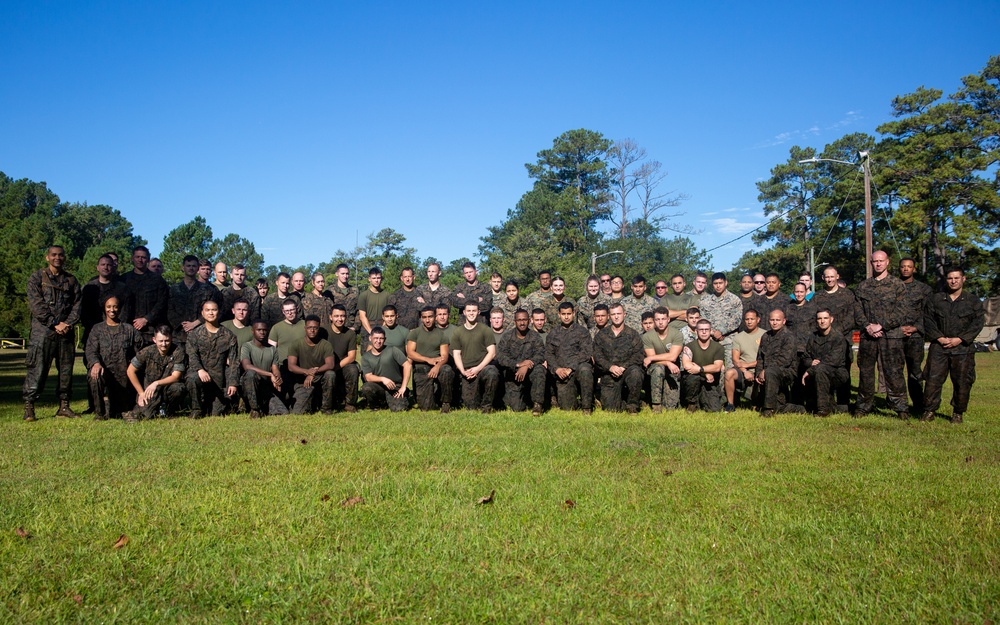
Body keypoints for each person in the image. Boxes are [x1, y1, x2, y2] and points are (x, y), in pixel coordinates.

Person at [23, 245, 82, 421]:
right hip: (43, 333)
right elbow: (36, 306)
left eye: (61, 255)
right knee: (37, 370)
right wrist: (54, 323)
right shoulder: (37, 278)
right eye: (54, 255)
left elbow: (77, 306)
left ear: (65, 258)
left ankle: (64, 406)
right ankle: (29, 407)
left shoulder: (71, 281)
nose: (58, 258)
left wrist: (67, 323)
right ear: (47, 257)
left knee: (66, 371)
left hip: (65, 333)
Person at [922, 267, 984, 424]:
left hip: (963, 349)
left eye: (957, 278)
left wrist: (961, 339)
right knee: (932, 380)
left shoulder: (973, 301)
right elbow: (928, 320)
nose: (953, 281)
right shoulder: (936, 300)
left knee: (963, 382)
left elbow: (978, 323)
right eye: (950, 278)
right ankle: (929, 411)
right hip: (939, 347)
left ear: (964, 279)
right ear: (946, 280)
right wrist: (939, 337)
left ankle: (958, 413)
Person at [854, 251, 908, 419]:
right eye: (875, 261)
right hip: (868, 336)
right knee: (866, 372)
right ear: (871, 263)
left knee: (894, 372)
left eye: (881, 261)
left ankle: (900, 407)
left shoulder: (897, 285)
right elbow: (857, 310)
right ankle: (863, 406)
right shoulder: (863, 286)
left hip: (891, 336)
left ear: (887, 262)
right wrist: (867, 326)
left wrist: (882, 326)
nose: (878, 264)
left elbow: (902, 311)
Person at [85, 295, 144, 420]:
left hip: (124, 375)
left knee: (121, 410)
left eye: (115, 306)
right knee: (94, 376)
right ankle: (100, 413)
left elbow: (140, 352)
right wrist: (95, 363)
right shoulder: (97, 329)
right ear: (104, 308)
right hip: (104, 371)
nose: (112, 310)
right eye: (109, 307)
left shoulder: (129, 330)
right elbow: (90, 350)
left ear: (120, 308)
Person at [185, 300, 239, 417]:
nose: (211, 313)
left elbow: (234, 361)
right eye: (207, 310)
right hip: (200, 376)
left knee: (216, 413)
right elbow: (192, 355)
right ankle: (196, 410)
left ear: (218, 312)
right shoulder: (194, 334)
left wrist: (233, 383)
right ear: (203, 313)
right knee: (192, 378)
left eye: (214, 310)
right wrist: (200, 370)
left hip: (219, 381)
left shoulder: (229, 335)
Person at [126, 325, 187, 421]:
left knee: (179, 389)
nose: (164, 344)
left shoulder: (178, 351)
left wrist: (156, 383)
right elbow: (130, 371)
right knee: (146, 415)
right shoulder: (147, 352)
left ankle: (169, 410)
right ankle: (150, 409)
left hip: (168, 387)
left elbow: (176, 376)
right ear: (154, 340)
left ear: (171, 339)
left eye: (167, 340)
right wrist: (141, 393)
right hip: (150, 390)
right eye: (161, 341)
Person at [593, 303, 644, 413]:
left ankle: (632, 405)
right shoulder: (601, 335)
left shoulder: (633, 334)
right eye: (613, 314)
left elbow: (638, 355)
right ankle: (621, 399)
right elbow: (597, 356)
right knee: (611, 410)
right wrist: (610, 367)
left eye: (619, 314)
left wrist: (623, 367)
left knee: (636, 372)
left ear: (624, 314)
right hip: (609, 373)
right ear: (609, 316)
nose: (616, 316)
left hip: (627, 371)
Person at [495, 309, 547, 415]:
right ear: (515, 321)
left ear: (529, 321)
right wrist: (518, 365)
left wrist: (527, 365)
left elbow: (541, 355)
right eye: (519, 320)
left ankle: (537, 404)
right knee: (517, 408)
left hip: (531, 374)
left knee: (539, 370)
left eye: (524, 320)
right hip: (513, 376)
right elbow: (500, 357)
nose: (522, 322)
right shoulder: (507, 337)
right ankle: (524, 398)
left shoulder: (535, 336)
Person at [450, 301, 500, 412]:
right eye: (469, 311)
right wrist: (463, 371)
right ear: (464, 312)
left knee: (492, 372)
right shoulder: (457, 332)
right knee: (471, 406)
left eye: (474, 311)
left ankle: (487, 405)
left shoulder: (485, 330)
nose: (471, 313)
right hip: (467, 371)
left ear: (478, 312)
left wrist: (478, 369)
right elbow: (456, 354)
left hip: (482, 368)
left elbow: (492, 353)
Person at [545, 302, 594, 413]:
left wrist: (571, 368)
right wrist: (557, 369)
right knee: (568, 408)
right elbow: (549, 354)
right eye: (563, 314)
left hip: (577, 370)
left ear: (573, 314)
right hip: (562, 374)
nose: (566, 317)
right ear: (559, 314)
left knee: (585, 369)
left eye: (569, 313)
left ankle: (587, 407)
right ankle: (576, 401)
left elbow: (586, 353)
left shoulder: (582, 332)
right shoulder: (552, 334)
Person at [800, 308, 851, 416]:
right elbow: (805, 357)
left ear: (831, 319)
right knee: (809, 407)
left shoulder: (838, 337)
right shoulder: (813, 337)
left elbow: (833, 360)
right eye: (819, 318)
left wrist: (811, 370)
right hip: (818, 371)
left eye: (825, 318)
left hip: (837, 373)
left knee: (821, 369)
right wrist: (810, 363)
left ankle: (823, 410)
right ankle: (829, 406)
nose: (822, 321)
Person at [899, 258, 933, 412]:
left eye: (909, 267)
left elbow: (928, 313)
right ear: (899, 268)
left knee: (915, 372)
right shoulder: (893, 287)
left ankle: (919, 404)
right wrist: (897, 328)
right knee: (894, 371)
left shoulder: (924, 289)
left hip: (915, 337)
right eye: (903, 267)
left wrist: (915, 328)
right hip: (896, 336)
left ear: (914, 269)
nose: (906, 269)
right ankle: (898, 404)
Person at [406, 306, 455, 412]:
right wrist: (428, 360)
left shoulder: (442, 335)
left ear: (435, 317)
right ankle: (432, 396)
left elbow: (445, 356)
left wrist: (437, 366)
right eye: (424, 317)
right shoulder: (415, 333)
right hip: (421, 370)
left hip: (437, 367)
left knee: (447, 370)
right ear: (421, 318)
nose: (427, 320)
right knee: (426, 408)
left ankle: (446, 403)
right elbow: (410, 353)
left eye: (430, 317)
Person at [167, 254, 223, 346]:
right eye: (188, 266)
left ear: (197, 269)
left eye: (194, 266)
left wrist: (194, 324)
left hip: (201, 335)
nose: (191, 268)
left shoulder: (208, 289)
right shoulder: (174, 289)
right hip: (179, 336)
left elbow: (213, 311)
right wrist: (185, 325)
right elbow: (169, 310)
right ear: (183, 268)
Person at [755, 309, 801, 417]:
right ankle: (795, 408)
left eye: (778, 320)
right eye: (772, 320)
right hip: (769, 372)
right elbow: (760, 357)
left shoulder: (789, 337)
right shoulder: (765, 336)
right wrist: (758, 373)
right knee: (775, 405)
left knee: (771, 372)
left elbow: (784, 360)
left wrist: (765, 371)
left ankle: (768, 409)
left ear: (784, 321)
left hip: (786, 372)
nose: (774, 322)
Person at [287, 315, 337, 414]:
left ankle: (326, 408)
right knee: (298, 412)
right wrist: (306, 372)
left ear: (319, 328)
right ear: (305, 328)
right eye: (309, 327)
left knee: (330, 374)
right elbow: (291, 366)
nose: (312, 330)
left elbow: (330, 364)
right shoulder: (296, 344)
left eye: (315, 328)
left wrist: (313, 373)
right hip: (303, 381)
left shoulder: (325, 345)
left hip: (320, 378)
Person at [240, 320, 288, 418]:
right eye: (259, 330)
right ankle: (254, 409)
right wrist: (269, 374)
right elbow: (247, 366)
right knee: (251, 374)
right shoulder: (247, 346)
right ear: (253, 331)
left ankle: (261, 405)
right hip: (249, 387)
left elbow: (275, 368)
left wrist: (277, 378)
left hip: (264, 387)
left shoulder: (272, 349)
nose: (262, 332)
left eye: (264, 330)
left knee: (283, 412)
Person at [121, 245, 169, 344]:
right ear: (132, 258)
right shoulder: (124, 279)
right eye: (137, 257)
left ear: (148, 259)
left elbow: (162, 303)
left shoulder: (158, 280)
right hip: (128, 330)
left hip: (150, 330)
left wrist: (146, 319)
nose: (140, 260)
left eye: (143, 257)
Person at [723, 309, 766, 412]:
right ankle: (730, 404)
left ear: (758, 320)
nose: (749, 321)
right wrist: (745, 371)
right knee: (729, 373)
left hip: (760, 369)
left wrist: (748, 365)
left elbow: (767, 358)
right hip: (743, 370)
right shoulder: (738, 337)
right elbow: (735, 360)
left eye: (752, 319)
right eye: (747, 319)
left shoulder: (765, 335)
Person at [643, 307, 684, 412]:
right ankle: (656, 405)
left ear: (668, 319)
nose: (660, 322)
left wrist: (652, 357)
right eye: (657, 319)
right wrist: (667, 363)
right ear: (654, 320)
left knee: (671, 408)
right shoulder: (647, 336)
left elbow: (673, 356)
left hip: (673, 370)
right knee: (658, 368)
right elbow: (652, 362)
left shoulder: (677, 334)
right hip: (656, 368)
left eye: (663, 319)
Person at [361, 326, 412, 412]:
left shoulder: (393, 350)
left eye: (381, 338)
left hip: (395, 386)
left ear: (385, 339)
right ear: (370, 338)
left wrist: (403, 386)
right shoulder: (366, 357)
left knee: (399, 409)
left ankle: (404, 393)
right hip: (378, 386)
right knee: (366, 388)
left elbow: (407, 365)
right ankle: (377, 405)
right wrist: (383, 379)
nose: (378, 341)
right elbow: (368, 377)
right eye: (376, 338)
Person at [698, 272, 743, 369]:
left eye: (720, 283)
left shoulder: (734, 300)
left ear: (726, 283)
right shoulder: (705, 301)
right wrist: (713, 332)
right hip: (710, 339)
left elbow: (737, 320)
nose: (718, 286)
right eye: (715, 283)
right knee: (709, 368)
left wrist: (721, 332)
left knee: (730, 370)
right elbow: (703, 320)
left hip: (729, 340)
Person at [680, 319, 724, 412]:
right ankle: (691, 403)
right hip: (694, 379)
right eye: (701, 330)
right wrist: (706, 373)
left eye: (706, 329)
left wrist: (700, 369)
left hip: (709, 382)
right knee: (693, 378)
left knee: (714, 409)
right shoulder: (689, 346)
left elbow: (717, 367)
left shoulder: (718, 347)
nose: (704, 332)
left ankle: (701, 400)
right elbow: (687, 365)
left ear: (710, 331)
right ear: (696, 331)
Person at [327, 305, 360, 412]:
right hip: (326, 365)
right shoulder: (324, 331)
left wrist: (336, 367)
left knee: (353, 369)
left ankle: (350, 403)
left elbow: (351, 357)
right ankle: (328, 403)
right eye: (336, 316)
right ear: (331, 317)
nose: (339, 319)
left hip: (343, 364)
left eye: (342, 316)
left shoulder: (350, 334)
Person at [358, 267, 390, 346]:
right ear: (369, 279)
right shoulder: (363, 295)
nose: (376, 280)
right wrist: (371, 332)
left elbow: (389, 314)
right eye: (374, 278)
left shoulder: (387, 295)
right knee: (367, 355)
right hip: (368, 328)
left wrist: (382, 329)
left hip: (383, 327)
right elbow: (362, 316)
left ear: (381, 278)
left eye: (378, 278)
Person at [325, 264, 360, 333]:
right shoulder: (330, 291)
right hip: (335, 329)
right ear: (337, 274)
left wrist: (355, 327)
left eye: (347, 274)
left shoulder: (355, 291)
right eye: (342, 273)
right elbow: (328, 311)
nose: (345, 276)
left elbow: (358, 310)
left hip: (351, 328)